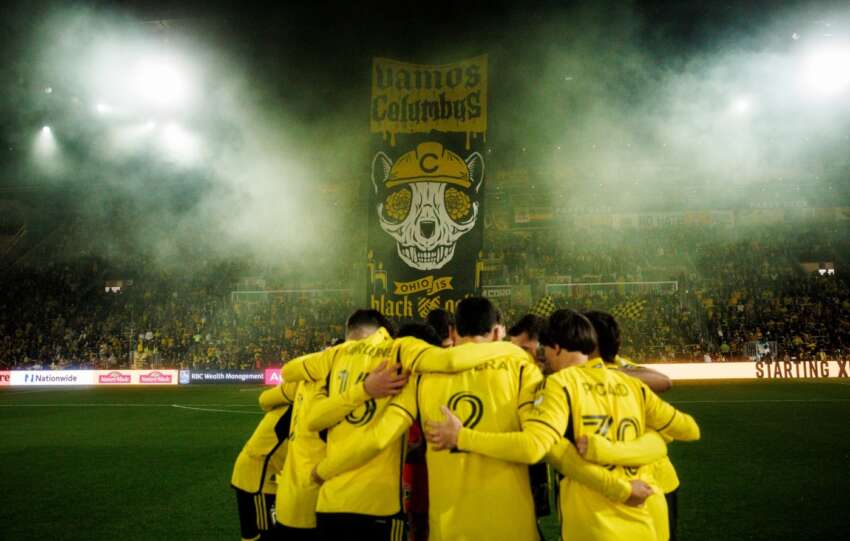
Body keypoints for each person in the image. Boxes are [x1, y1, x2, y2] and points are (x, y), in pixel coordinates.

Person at [428, 309, 700, 541]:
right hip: (648, 511)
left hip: (600, 518)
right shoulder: (630, 383)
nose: (536, 357)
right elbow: (687, 430)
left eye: (532, 350)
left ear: (554, 347)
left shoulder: (558, 385)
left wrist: (462, 437)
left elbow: (542, 448)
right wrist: (631, 448)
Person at [307, 298, 555, 541]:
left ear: (452, 331)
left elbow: (377, 438)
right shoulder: (523, 368)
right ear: (496, 333)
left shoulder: (422, 377)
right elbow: (533, 447)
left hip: (448, 529)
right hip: (512, 529)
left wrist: (323, 470)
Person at [279, 308, 499, 541]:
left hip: (329, 505)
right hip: (376, 506)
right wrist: (505, 349)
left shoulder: (337, 354)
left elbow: (299, 393)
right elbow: (376, 439)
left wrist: (362, 389)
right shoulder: (400, 355)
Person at [272, 333, 411, 540]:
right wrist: (365, 389)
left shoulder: (309, 386)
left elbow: (270, 402)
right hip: (317, 502)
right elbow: (368, 443)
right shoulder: (337, 399)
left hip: (289, 501)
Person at [583, 310, 682, 541]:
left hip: (652, 482)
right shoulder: (596, 372)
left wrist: (609, 374)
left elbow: (664, 380)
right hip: (613, 484)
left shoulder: (615, 369)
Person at [231, 380, 299, 541]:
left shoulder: (287, 406)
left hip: (258, 473)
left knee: (253, 535)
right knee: (264, 534)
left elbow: (265, 399)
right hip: (258, 479)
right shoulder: (296, 411)